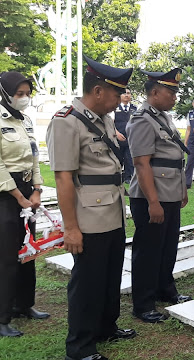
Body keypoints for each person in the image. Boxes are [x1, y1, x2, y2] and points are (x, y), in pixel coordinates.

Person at [46, 57, 136, 360]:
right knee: (87, 282)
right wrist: (71, 228)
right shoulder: (66, 120)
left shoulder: (104, 118)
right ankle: (80, 347)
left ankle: (105, 327)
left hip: (112, 210)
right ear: (98, 91)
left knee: (110, 276)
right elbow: (63, 177)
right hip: (89, 217)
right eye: (115, 93)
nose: (119, 99)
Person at [127, 68, 191, 323]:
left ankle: (165, 289)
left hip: (170, 191)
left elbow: (175, 158)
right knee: (149, 250)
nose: (175, 96)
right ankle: (143, 304)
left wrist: (182, 189)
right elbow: (142, 164)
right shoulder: (143, 119)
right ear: (154, 92)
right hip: (151, 196)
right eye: (171, 91)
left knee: (167, 247)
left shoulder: (162, 117)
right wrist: (153, 202)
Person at [0, 72, 49, 338]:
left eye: (27, 93)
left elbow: (34, 157)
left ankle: (24, 304)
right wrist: (20, 197)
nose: (24, 98)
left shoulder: (26, 120)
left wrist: (37, 190)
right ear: (6, 93)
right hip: (6, 195)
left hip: (29, 191)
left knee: (27, 251)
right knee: (7, 257)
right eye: (19, 94)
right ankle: (2, 316)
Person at [113, 88, 136, 183]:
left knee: (130, 159)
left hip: (131, 138)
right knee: (118, 158)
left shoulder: (135, 109)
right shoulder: (114, 108)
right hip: (118, 138)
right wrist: (116, 133)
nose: (126, 95)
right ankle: (117, 176)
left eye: (128, 93)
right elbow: (110, 122)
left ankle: (129, 177)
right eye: (124, 93)